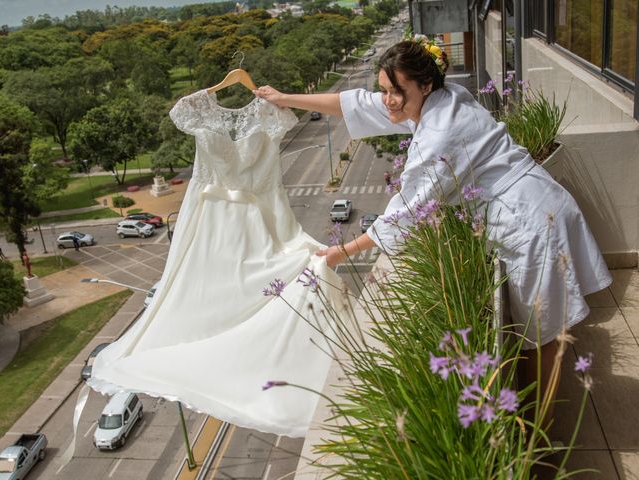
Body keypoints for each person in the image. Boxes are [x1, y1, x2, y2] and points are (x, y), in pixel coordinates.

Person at [254, 38, 612, 418]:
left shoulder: (440, 133)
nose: (388, 100)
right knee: (540, 333)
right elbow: (356, 104)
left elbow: (407, 209)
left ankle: (542, 429)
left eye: (396, 92)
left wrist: (344, 251)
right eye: (385, 90)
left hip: (531, 219)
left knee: (541, 338)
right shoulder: (444, 95)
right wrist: (285, 98)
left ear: (424, 85)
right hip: (539, 200)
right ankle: (538, 416)